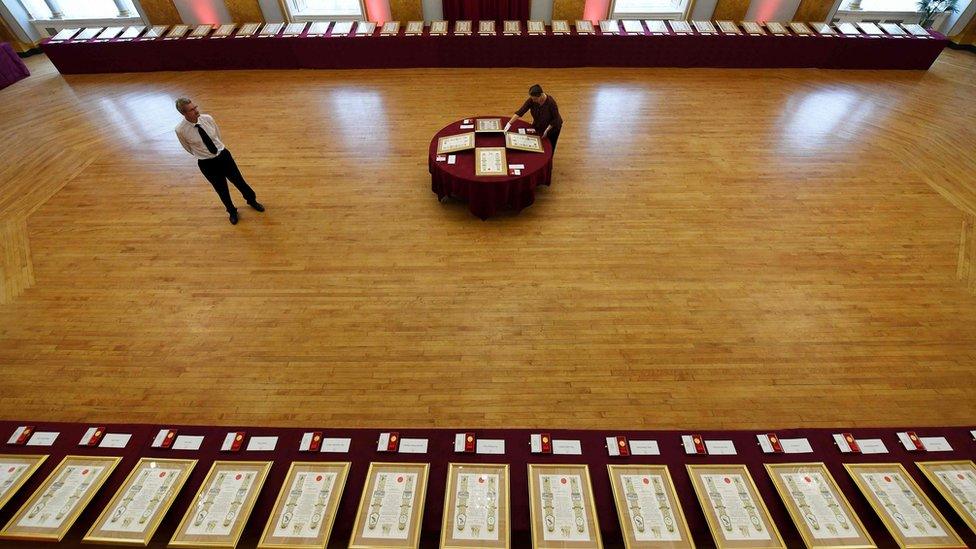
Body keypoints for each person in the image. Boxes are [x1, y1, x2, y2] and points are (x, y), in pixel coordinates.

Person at [174, 98, 264, 224]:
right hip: (206, 164)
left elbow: (217, 136)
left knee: (239, 181)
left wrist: (217, 151)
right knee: (221, 189)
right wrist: (204, 154)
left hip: (223, 156)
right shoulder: (180, 130)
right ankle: (232, 211)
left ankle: (252, 201)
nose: (196, 111)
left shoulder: (207, 119)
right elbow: (188, 148)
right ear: (184, 113)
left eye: (195, 107)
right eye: (192, 110)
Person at [504, 84, 563, 151]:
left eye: (535, 99)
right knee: (536, 143)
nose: (533, 101)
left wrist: (547, 130)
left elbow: (555, 119)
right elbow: (521, 111)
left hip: (552, 128)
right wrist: (509, 123)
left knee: (549, 147)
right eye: (532, 98)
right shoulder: (532, 100)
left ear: (541, 95)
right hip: (538, 124)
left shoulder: (551, 103)